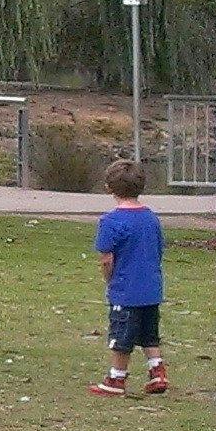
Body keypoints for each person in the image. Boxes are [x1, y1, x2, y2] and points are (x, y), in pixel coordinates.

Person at [92, 159, 171, 397]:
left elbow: (107, 258)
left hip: (126, 288)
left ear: (109, 187)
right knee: (149, 333)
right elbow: (159, 249)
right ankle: (157, 370)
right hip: (152, 287)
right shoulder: (151, 219)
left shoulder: (111, 221)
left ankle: (116, 378)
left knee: (121, 335)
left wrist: (110, 279)